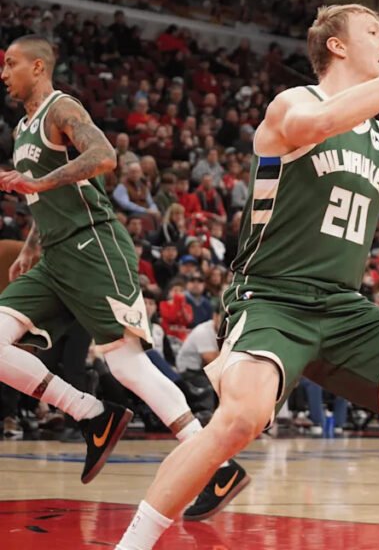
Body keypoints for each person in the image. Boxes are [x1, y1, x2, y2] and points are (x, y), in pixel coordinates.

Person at [116, 0, 379, 550]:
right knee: (240, 419)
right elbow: (319, 124)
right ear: (336, 44)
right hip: (272, 297)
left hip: (344, 309)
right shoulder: (293, 103)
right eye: (374, 31)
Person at [0, 35, 247, 512]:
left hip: (93, 246)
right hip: (54, 256)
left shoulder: (60, 108)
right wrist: (30, 247)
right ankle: (92, 414)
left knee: (127, 364)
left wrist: (39, 181)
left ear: (38, 66)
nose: (4, 73)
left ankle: (217, 467)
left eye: (11, 64)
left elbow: (103, 157)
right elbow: (44, 198)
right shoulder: (21, 128)